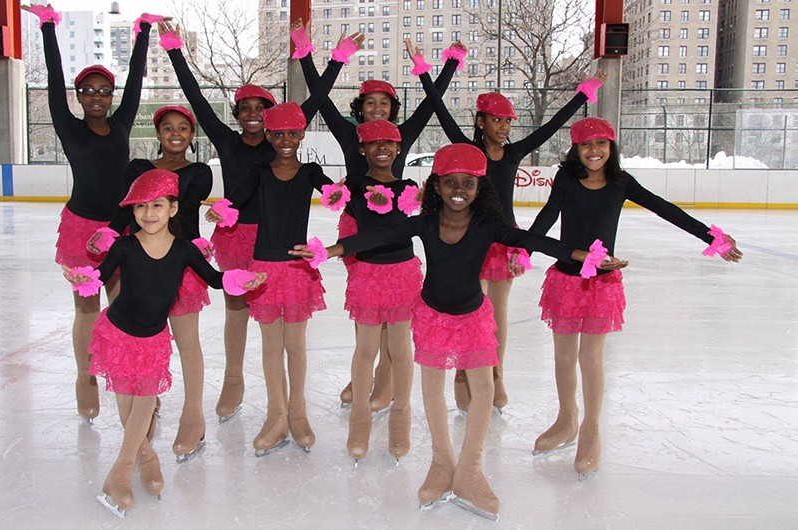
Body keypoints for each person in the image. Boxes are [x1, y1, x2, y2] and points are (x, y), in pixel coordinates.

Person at [292, 144, 600, 519]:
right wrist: (334, 248)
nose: (459, 189)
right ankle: (441, 462)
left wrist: (576, 254)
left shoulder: (487, 226)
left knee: (483, 388)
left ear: (479, 187)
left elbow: (531, 241)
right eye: (450, 182)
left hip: (472, 317)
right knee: (432, 388)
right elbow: (378, 237)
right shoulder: (424, 223)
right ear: (435, 186)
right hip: (433, 315)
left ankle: (470, 469)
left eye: (468, 183)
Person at [160, 21, 359, 423]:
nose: (253, 114)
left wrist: (335, 60)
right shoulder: (226, 139)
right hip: (236, 237)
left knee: (280, 323)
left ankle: (289, 408)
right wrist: (175, 49)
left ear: (274, 118)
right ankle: (234, 380)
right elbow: (196, 99)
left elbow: (316, 100)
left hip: (277, 239)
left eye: (261, 108)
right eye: (245, 108)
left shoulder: (283, 137)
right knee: (237, 310)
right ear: (236, 114)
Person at [527, 117, 742, 480]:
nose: (594, 151)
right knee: (564, 356)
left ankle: (591, 429)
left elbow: (665, 209)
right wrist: (524, 250)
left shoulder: (621, 183)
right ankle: (567, 420)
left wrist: (711, 237)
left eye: (601, 144)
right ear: (576, 149)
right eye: (586, 144)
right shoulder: (566, 180)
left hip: (601, 283)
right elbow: (548, 215)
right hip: (565, 279)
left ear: (611, 148)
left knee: (590, 357)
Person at [407, 37, 608, 415]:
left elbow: (552, 126)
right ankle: (463, 376)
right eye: (496, 120)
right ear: (480, 122)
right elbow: (438, 108)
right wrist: (424, 69)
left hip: (502, 241)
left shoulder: (514, 152)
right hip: (467, 239)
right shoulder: (468, 151)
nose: (503, 127)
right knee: (466, 309)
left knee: (496, 313)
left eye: (507, 121)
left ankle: (495, 374)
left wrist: (584, 93)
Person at [64, 169, 265, 517]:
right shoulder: (126, 245)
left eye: (157, 205)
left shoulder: (184, 250)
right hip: (118, 334)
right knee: (128, 408)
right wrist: (84, 277)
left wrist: (241, 280)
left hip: (152, 339)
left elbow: (216, 280)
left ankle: (120, 473)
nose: (148, 213)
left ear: (173, 208)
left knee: (142, 404)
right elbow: (99, 276)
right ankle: (145, 454)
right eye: (140, 207)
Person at [292, 21, 463, 411]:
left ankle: (384, 384)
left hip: (393, 226)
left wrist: (447, 65)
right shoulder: (349, 134)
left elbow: (430, 105)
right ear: (360, 108)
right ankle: (365, 376)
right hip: (356, 226)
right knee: (367, 309)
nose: (377, 108)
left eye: (384, 103)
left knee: (394, 319)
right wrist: (308, 54)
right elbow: (319, 100)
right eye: (370, 102)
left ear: (392, 110)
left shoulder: (400, 135)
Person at [23, 4, 158, 422]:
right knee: (86, 308)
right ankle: (85, 377)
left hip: (119, 228)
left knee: (123, 308)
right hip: (81, 228)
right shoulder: (69, 125)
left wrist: (143, 33)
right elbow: (52, 79)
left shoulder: (120, 124)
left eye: (104, 91)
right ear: (79, 96)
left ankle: (125, 376)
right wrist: (48, 27)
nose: (97, 96)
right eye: (89, 91)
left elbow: (136, 79)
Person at [205, 102, 348, 457]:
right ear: (268, 136)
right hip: (264, 268)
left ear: (301, 135)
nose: (285, 140)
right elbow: (236, 200)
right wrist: (221, 209)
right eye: (278, 133)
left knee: (296, 345)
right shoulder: (259, 170)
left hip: (298, 267)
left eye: (292, 134)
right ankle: (276, 415)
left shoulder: (310, 170)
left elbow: (333, 193)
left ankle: (297, 414)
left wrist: (343, 190)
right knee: (271, 346)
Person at [89, 106, 213, 463]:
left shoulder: (199, 172)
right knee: (136, 339)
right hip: (137, 263)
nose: (175, 133)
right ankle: (146, 403)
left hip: (181, 263)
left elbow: (183, 206)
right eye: (168, 128)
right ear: (157, 133)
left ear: (192, 136)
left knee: (188, 343)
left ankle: (193, 416)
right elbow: (126, 210)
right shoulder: (137, 168)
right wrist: (108, 234)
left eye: (184, 128)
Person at [342, 120, 424, 463]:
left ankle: (400, 413)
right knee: (366, 348)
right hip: (368, 273)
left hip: (402, 273)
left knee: (400, 347)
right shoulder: (355, 186)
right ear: (362, 149)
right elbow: (348, 226)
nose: (382, 148)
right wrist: (351, 262)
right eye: (374, 143)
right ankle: (360, 415)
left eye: (389, 143)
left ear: (398, 148)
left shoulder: (409, 186)